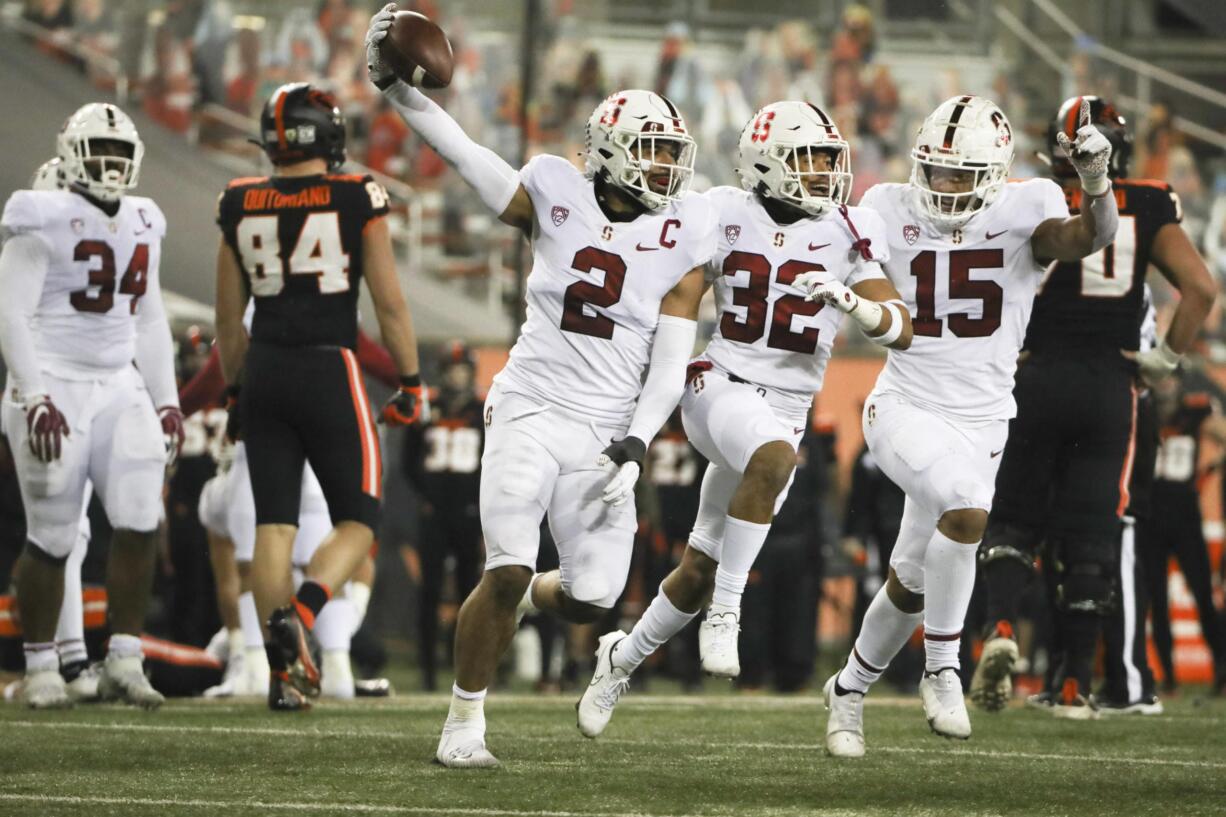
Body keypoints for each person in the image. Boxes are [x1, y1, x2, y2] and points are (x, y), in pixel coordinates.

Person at [368, 4, 717, 768]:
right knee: (508, 563)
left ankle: (515, 601)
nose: (667, 168)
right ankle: (464, 723)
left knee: (593, 598)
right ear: (614, 152)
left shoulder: (683, 235)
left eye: (671, 153)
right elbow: (468, 155)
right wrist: (402, 94)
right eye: (653, 153)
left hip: (603, 430)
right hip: (529, 405)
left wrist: (636, 438)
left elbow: (670, 357)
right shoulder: (555, 190)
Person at [575, 100, 912, 738]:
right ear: (766, 162)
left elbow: (902, 329)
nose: (821, 173)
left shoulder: (850, 226)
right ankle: (727, 613)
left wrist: (853, 304)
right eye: (806, 158)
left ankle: (619, 660)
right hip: (719, 385)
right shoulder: (720, 212)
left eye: (827, 160)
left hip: (785, 409)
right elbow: (675, 302)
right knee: (774, 461)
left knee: (699, 564)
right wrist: (645, 413)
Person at [823, 95, 1119, 757]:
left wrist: (1098, 187)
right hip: (902, 404)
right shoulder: (888, 206)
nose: (945, 185)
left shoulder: (1029, 203)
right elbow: (854, 273)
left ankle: (847, 690)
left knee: (912, 576)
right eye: (936, 170)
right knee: (967, 507)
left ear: (995, 172)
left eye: (961, 174)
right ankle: (944, 667)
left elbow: (1088, 238)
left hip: (984, 417)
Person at [973, 96, 1216, 719]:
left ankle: (1000, 627)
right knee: (1091, 537)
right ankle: (1077, 685)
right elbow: (1201, 289)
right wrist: (1164, 359)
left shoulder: (1034, 197)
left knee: (1014, 520)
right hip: (1113, 384)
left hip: (1035, 377)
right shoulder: (1150, 201)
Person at [214, 82, 425, 711]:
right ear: (328, 138)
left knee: (273, 526)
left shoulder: (237, 199)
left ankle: (285, 678)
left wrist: (234, 391)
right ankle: (300, 619)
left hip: (267, 370)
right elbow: (388, 303)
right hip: (331, 367)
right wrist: (411, 381)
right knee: (361, 519)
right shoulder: (357, 194)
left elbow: (231, 321)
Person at [0, 103, 184, 709]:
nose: (109, 164)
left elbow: (151, 319)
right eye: (97, 151)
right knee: (52, 535)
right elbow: (11, 314)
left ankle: (124, 659)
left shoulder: (144, 218)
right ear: (71, 155)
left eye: (119, 152)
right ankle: (42, 665)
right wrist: (33, 394)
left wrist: (167, 401)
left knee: (139, 518)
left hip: (117, 381)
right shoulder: (41, 212)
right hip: (54, 378)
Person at [403, 341, 485, 691]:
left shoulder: (482, 411)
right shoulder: (427, 408)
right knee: (430, 592)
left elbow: (490, 460)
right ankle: (427, 670)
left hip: (467, 513)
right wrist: (426, 496)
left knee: (471, 594)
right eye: (453, 369)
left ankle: (465, 668)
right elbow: (409, 460)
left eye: (462, 369)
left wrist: (477, 501)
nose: (457, 376)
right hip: (434, 512)